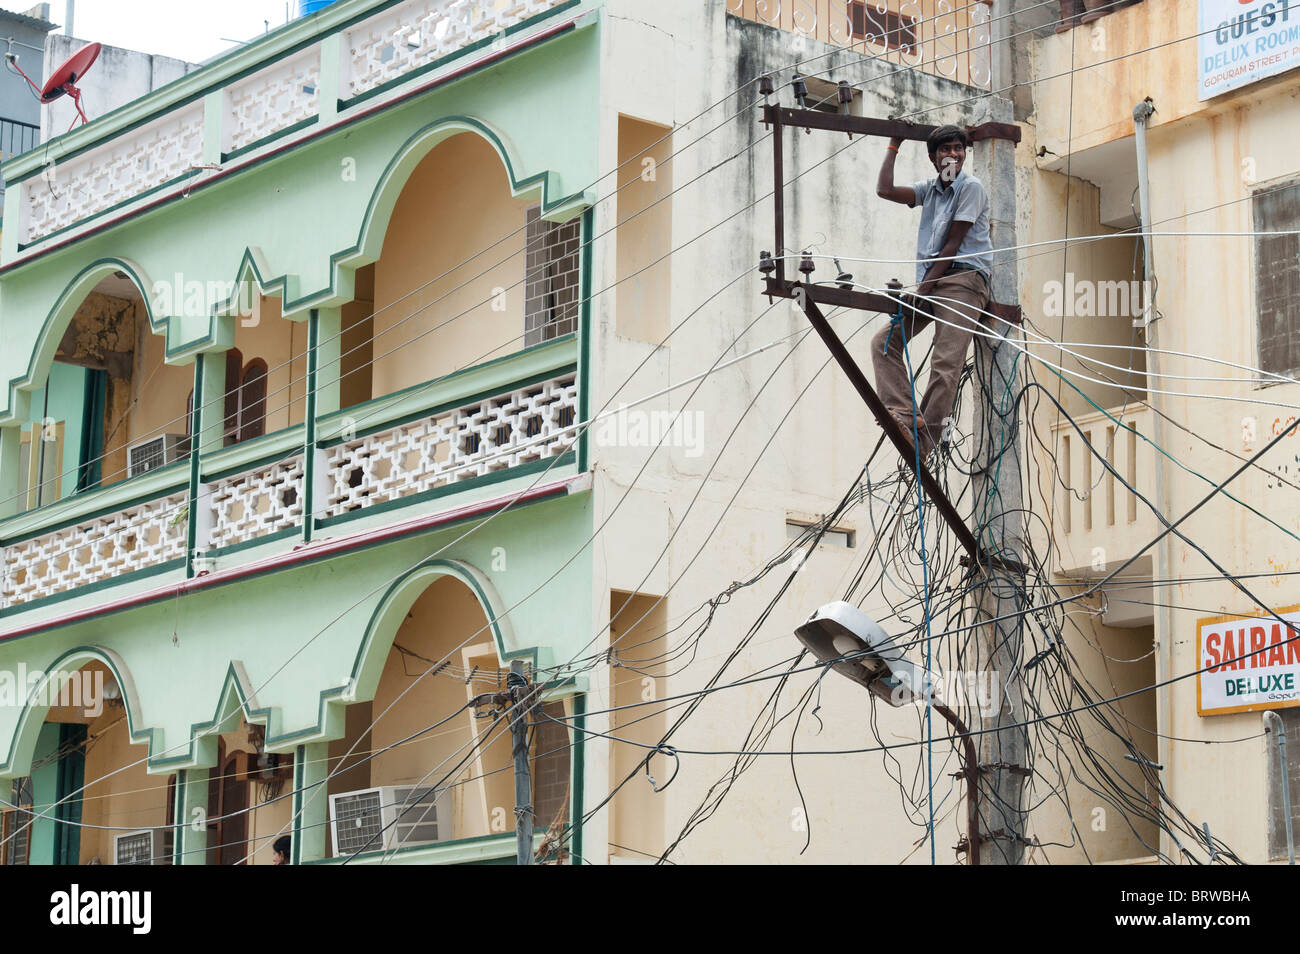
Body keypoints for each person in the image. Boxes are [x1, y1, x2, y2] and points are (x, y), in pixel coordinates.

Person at [871, 124, 994, 461]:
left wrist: (923, 290)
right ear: (933, 157)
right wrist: (894, 145)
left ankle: (922, 445)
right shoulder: (932, 189)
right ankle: (905, 416)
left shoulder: (971, 188)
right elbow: (884, 190)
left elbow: (953, 245)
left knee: (945, 362)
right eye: (945, 150)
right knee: (884, 343)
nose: (953, 154)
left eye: (958, 149)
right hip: (933, 282)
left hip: (963, 281)